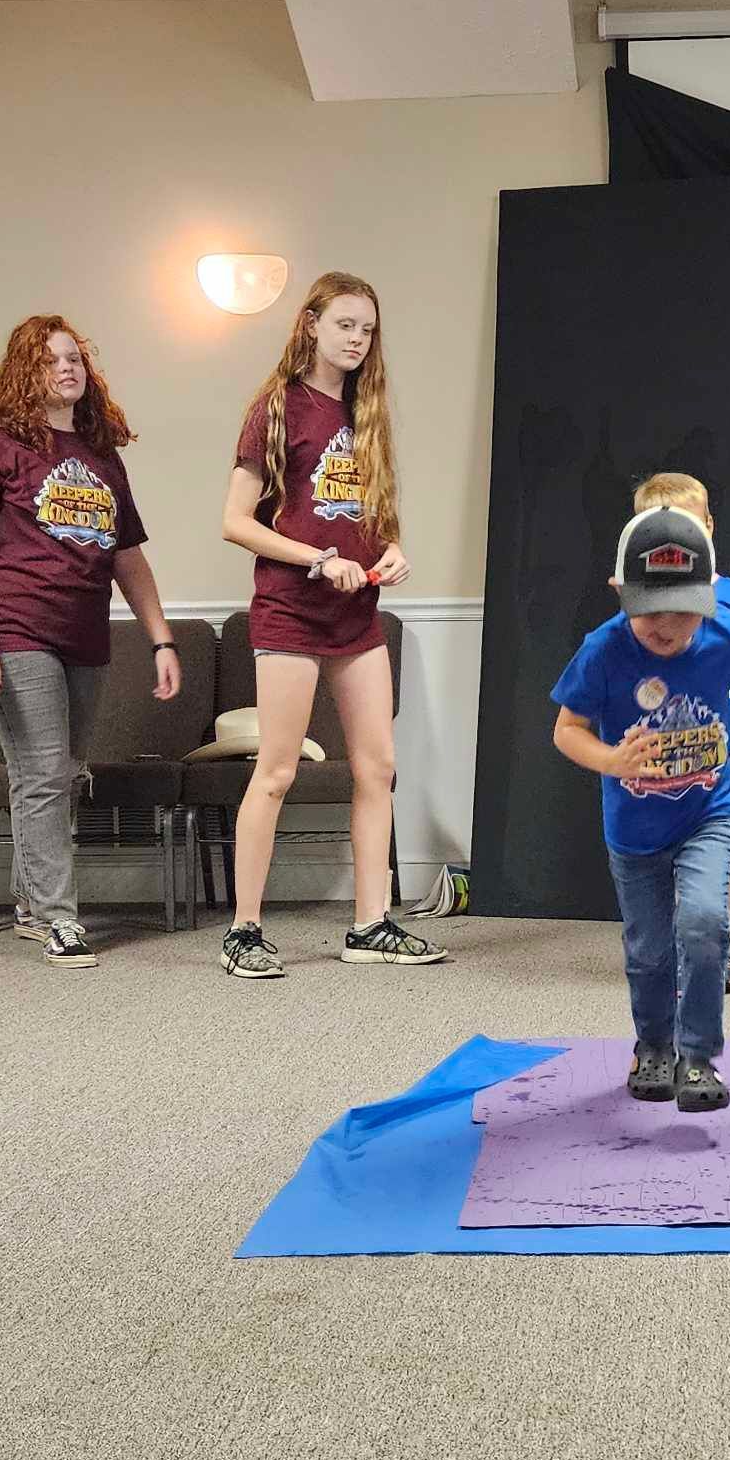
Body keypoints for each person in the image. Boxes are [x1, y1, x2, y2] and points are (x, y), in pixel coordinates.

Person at [218, 271, 446, 979]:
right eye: (345, 324)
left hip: (357, 619)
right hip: (289, 613)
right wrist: (316, 559)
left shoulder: (368, 413)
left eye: (368, 329)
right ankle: (245, 931)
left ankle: (370, 923)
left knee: (378, 768)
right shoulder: (277, 408)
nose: (357, 339)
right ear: (312, 324)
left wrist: (391, 551)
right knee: (279, 771)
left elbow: (368, 520)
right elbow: (235, 523)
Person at [0, 315, 180, 969]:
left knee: (59, 775)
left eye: (74, 357)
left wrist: (162, 639)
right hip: (15, 630)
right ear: (26, 372)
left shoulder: (101, 458)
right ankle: (57, 918)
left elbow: (128, 558)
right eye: (50, 360)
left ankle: (29, 905)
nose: (66, 368)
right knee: (45, 773)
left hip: (86, 635)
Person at [551, 507, 730, 1112]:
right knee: (649, 949)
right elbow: (566, 730)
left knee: (705, 924)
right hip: (633, 831)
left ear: (709, 594)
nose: (667, 625)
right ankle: (653, 1045)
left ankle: (699, 1055)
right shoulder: (602, 652)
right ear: (620, 594)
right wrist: (612, 761)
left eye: (684, 608)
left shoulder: (724, 635)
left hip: (709, 811)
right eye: (651, 609)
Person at [629, 472, 730, 992]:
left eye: (691, 528)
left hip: (721, 749)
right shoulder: (641, 598)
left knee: (714, 854)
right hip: (657, 752)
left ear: (710, 528)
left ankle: (716, 953)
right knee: (658, 856)